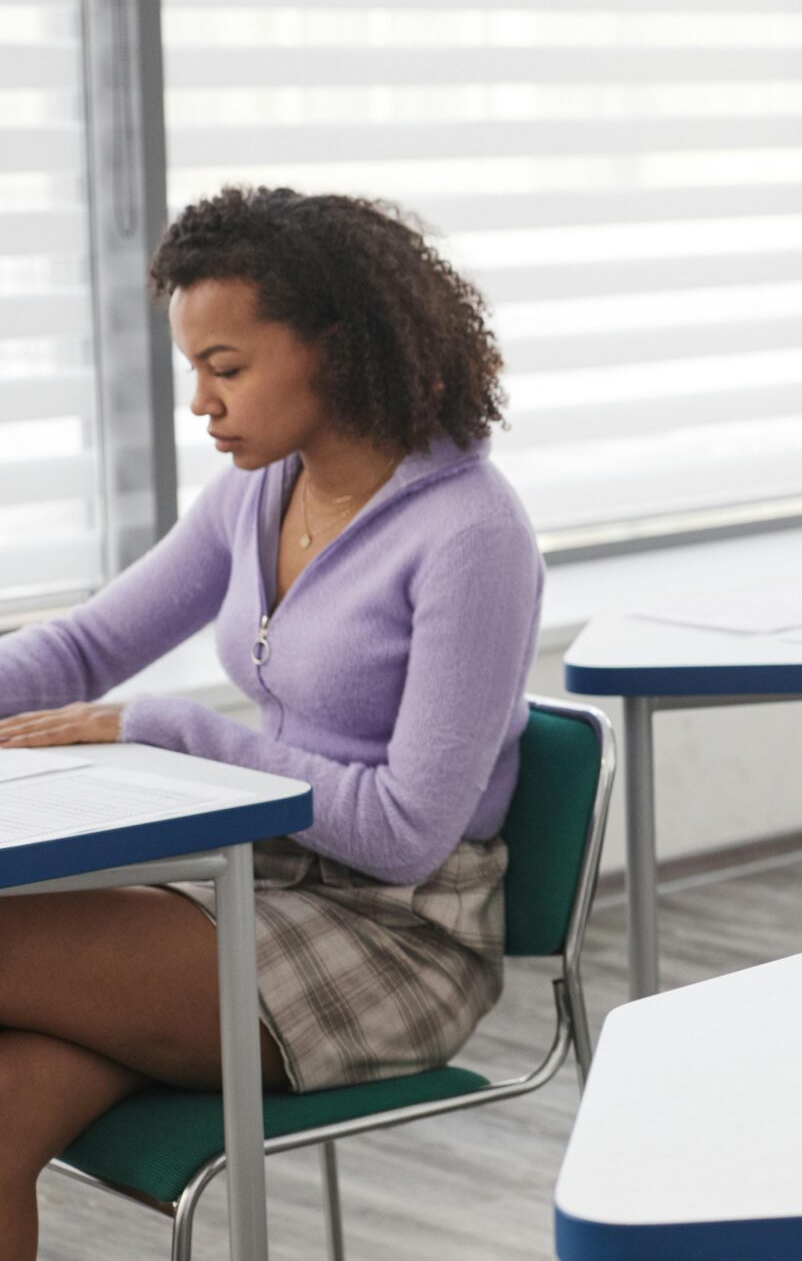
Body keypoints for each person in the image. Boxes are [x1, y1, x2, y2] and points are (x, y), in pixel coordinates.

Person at [0, 187, 542, 1261]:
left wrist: (169, 728)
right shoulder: (257, 493)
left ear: (337, 348)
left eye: (227, 368)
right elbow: (76, 652)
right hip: (249, 888)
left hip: (396, 934)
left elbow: (405, 834)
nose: (201, 403)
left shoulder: (469, 534)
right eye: (193, 368)